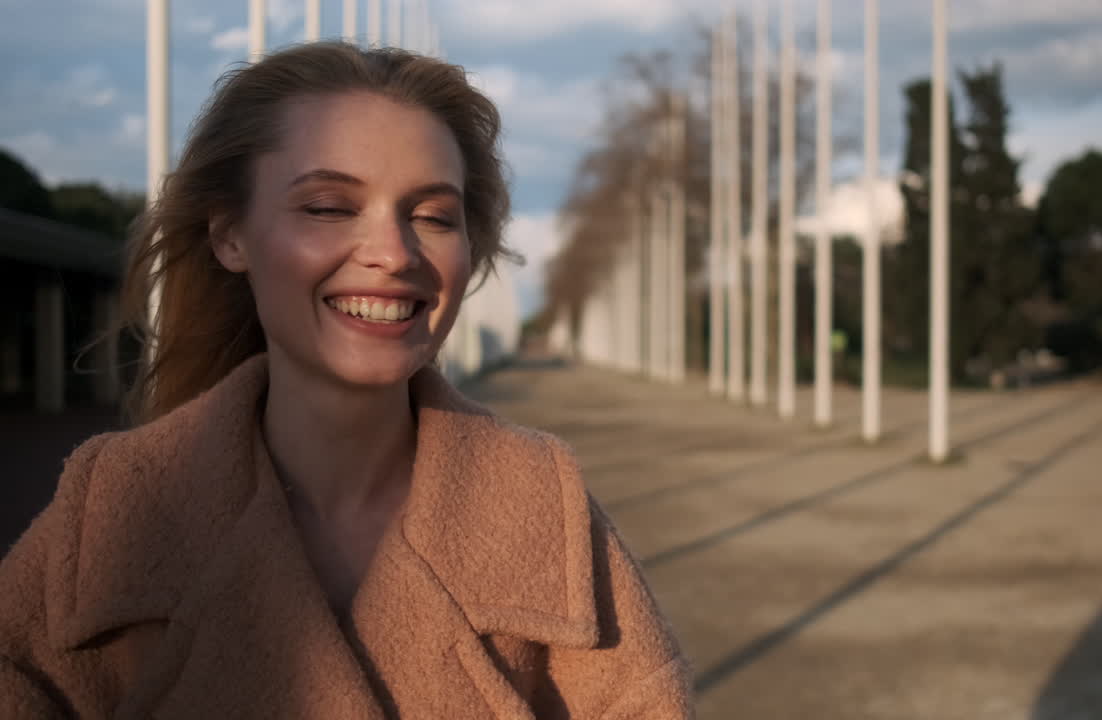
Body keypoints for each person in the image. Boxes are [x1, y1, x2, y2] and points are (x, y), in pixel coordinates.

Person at [0, 42, 690, 718]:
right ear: (229, 236)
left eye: (433, 216)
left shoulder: (543, 503)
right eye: (329, 206)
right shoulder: (116, 504)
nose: (393, 254)